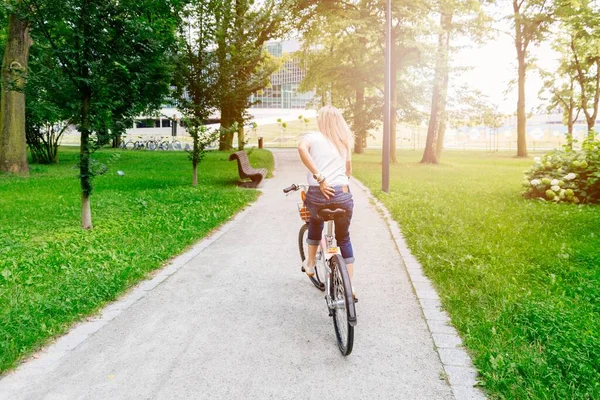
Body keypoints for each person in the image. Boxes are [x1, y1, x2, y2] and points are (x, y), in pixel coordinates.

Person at [297, 105, 355, 290]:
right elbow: (348, 171)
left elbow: (301, 149)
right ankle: (350, 287)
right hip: (343, 194)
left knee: (315, 221)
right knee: (343, 238)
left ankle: (311, 262)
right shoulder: (344, 141)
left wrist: (319, 176)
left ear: (321, 120)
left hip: (319, 193)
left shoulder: (312, 137)